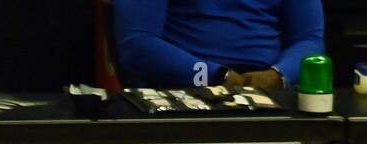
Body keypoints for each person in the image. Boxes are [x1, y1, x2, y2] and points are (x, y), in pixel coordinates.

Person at [114, 0, 324, 91]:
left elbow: (310, 40)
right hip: (188, 87)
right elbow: (137, 44)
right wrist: (216, 76)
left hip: (271, 89)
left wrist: (279, 75)